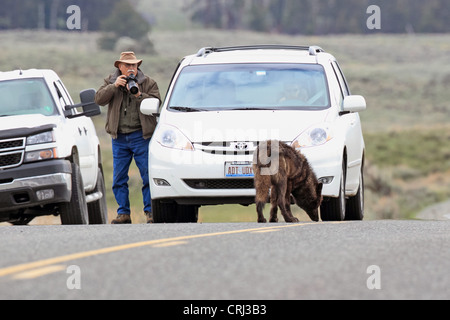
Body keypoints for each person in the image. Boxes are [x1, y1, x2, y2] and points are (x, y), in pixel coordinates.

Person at [95, 52, 161, 224]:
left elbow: (156, 103)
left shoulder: (148, 82)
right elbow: (99, 99)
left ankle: (150, 212)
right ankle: (123, 213)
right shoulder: (110, 81)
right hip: (119, 138)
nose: (131, 68)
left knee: (147, 175)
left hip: (141, 135)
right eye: (128, 65)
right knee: (119, 178)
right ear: (119, 66)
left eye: (134, 65)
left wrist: (139, 95)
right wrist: (114, 86)